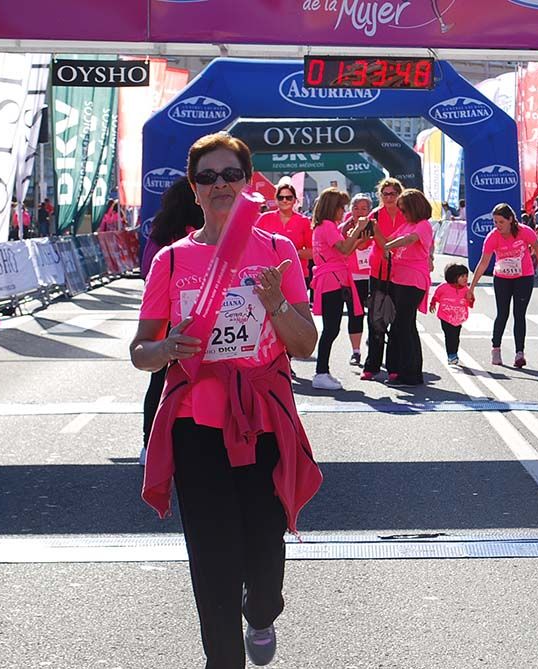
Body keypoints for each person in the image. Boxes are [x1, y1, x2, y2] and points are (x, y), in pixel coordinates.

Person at [130, 132, 322, 667]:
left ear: (247, 182)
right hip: (196, 428)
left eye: (230, 175)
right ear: (193, 189)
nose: (220, 185)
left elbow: (305, 345)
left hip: (261, 424)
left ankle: (260, 612)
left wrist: (276, 303)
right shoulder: (171, 261)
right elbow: (141, 352)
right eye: (208, 177)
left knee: (263, 559)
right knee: (213, 564)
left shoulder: (279, 252)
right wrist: (167, 347)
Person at [139, 177, 205, 466]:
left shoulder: (159, 234)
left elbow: (146, 271)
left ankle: (149, 444)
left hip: (163, 317)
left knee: (159, 379)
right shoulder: (197, 236)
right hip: (196, 317)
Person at [467, 203, 538, 368]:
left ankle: (519, 353)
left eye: (501, 222)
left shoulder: (525, 231)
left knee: (519, 314)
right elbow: (483, 263)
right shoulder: (492, 237)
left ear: (510, 219)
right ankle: (496, 348)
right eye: (495, 222)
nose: (498, 226)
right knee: (502, 314)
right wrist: (472, 286)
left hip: (523, 277)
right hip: (502, 279)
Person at [310, 188, 367, 391]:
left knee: (331, 328)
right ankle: (320, 372)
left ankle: (323, 371)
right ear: (332, 207)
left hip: (332, 278)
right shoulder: (327, 226)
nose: (344, 211)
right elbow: (343, 248)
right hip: (332, 280)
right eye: (341, 207)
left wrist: (356, 238)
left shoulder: (324, 226)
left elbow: (345, 250)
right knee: (331, 328)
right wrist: (358, 229)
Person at [383, 188, 434, 386]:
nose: (402, 213)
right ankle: (405, 370)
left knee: (405, 326)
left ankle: (411, 373)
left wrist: (389, 246)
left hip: (413, 280)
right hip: (400, 279)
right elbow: (388, 239)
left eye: (404, 210)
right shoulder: (407, 224)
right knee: (405, 326)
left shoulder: (423, 225)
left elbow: (410, 240)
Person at [361, 178, 406, 381]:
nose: (389, 198)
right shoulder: (375, 215)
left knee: (396, 320)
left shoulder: (407, 214)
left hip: (401, 271)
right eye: (385, 194)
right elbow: (368, 242)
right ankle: (372, 365)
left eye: (392, 194)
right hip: (378, 272)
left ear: (399, 194)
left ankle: (394, 365)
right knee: (376, 319)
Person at [256, 179, 314, 284]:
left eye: (289, 197)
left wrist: (293, 253)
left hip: (296, 274)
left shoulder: (304, 221)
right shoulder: (264, 218)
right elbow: (253, 244)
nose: (284, 200)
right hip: (268, 274)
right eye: (281, 197)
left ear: (295, 200)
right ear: (276, 199)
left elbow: (313, 251)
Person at [342, 193, 374, 366]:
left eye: (363, 208)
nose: (359, 212)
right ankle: (356, 351)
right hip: (352, 277)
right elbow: (343, 250)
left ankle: (373, 345)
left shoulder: (375, 226)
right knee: (355, 314)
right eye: (356, 208)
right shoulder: (344, 227)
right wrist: (357, 239)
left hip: (372, 276)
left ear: (369, 211)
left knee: (375, 315)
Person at [430, 263, 473, 365]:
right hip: (445, 317)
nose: (465, 278)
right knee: (449, 336)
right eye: (462, 276)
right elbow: (436, 296)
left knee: (456, 337)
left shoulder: (466, 289)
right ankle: (451, 355)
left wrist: (470, 299)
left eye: (466, 276)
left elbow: (470, 302)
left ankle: (454, 353)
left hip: (458, 318)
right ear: (453, 277)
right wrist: (433, 303)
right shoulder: (443, 287)